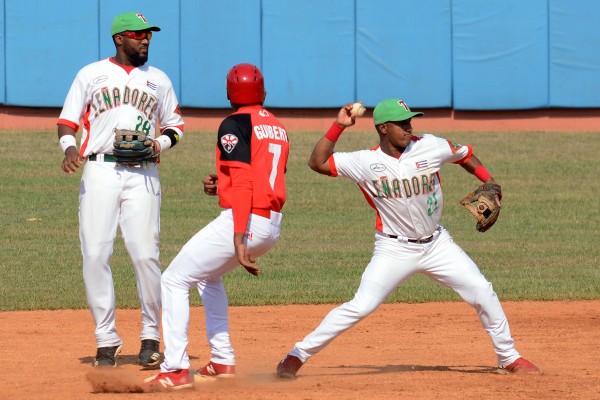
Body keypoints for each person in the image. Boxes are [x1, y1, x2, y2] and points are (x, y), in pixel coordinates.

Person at [275, 99, 540, 378]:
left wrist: (490, 182)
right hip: (393, 248)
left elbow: (464, 154)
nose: (409, 127)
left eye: (410, 121)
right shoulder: (365, 162)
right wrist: (338, 126)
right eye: (402, 123)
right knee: (361, 305)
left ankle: (509, 357)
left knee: (482, 290)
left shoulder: (429, 145)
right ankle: (296, 356)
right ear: (383, 128)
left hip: (437, 244)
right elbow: (317, 162)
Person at [144, 63, 289, 390]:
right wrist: (220, 186)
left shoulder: (234, 123)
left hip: (246, 221)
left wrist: (239, 237)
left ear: (228, 94)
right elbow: (262, 176)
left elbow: (242, 183)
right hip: (271, 223)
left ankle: (176, 369)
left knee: (174, 279)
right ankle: (222, 360)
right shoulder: (277, 126)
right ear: (263, 93)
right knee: (208, 277)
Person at [57, 12, 184, 368]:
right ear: (119, 38)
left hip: (143, 174)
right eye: (138, 34)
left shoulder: (158, 80)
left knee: (145, 254)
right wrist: (70, 149)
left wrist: (159, 144)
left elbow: (176, 126)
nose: (145, 40)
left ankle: (150, 336)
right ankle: (105, 340)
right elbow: (67, 123)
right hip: (99, 170)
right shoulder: (91, 74)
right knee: (95, 254)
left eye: (148, 35)